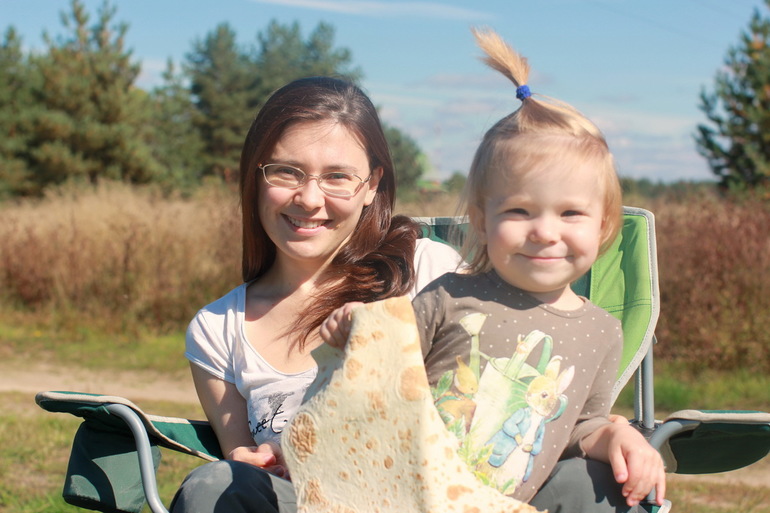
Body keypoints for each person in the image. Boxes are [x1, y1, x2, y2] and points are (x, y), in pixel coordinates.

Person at [321, 28, 667, 512]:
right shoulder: (450, 296)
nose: (546, 232)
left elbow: (580, 427)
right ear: (482, 221)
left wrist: (620, 437)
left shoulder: (601, 331)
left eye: (570, 213)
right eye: (520, 212)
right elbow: (382, 375)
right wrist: (357, 332)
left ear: (604, 223)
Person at [169, 76, 462, 513]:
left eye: (338, 177)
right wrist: (251, 461)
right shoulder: (217, 330)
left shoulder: (428, 272)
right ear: (256, 175)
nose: (308, 199)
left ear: (372, 186)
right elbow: (241, 464)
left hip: (427, 498)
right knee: (214, 485)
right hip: (302, 503)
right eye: (287, 171)